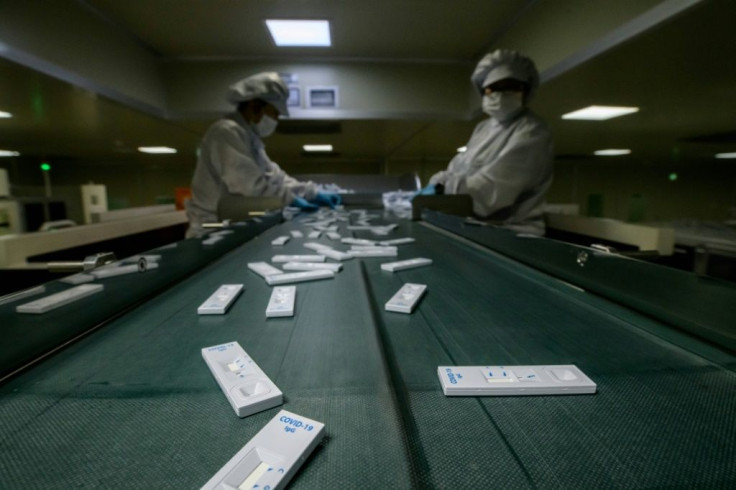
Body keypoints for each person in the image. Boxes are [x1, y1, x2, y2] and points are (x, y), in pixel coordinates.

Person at [186, 72, 341, 237]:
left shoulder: (250, 139)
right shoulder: (226, 132)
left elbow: (276, 178)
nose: (276, 119)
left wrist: (312, 193)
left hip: (229, 225)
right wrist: (290, 199)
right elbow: (249, 184)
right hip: (211, 227)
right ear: (255, 106)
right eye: (274, 113)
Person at [422, 49, 554, 235]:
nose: (499, 95)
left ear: (525, 90)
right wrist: (439, 182)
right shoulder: (483, 129)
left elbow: (490, 193)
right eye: (492, 88)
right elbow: (458, 167)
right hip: (478, 230)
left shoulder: (532, 131)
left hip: (514, 235)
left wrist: (445, 186)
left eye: (510, 86)